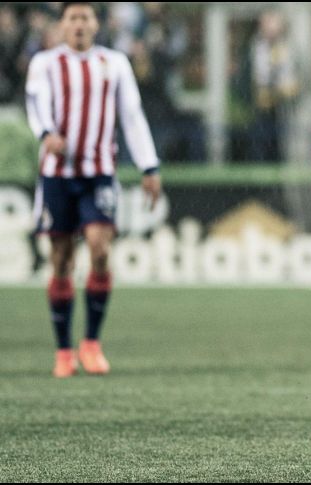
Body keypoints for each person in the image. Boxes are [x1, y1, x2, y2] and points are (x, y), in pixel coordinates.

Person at [25, 2, 161, 378]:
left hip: (100, 172)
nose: (80, 24)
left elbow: (132, 115)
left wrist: (149, 166)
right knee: (62, 258)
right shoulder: (45, 63)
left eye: (86, 17)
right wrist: (46, 134)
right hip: (56, 173)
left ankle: (91, 344)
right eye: (73, 18)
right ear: (63, 24)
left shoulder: (114, 63)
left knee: (100, 250)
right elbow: (36, 106)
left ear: (96, 24)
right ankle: (64, 349)